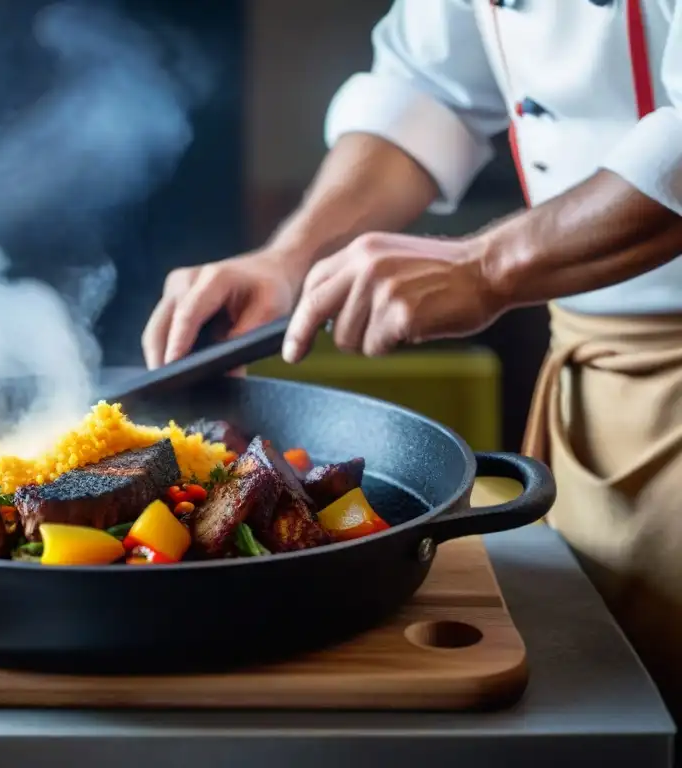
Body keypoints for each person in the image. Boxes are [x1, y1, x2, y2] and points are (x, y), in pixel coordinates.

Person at [142, 0, 682, 729]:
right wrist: (291, 259)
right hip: (596, 374)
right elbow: (429, 87)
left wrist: (486, 267)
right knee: (610, 690)